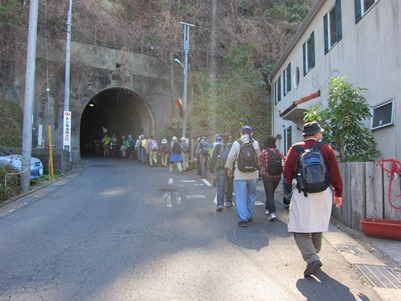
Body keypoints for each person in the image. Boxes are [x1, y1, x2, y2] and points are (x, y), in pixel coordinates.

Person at [283, 121, 343, 277]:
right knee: (317, 223)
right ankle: (314, 253)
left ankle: (312, 258)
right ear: (316, 135)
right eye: (320, 133)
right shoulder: (326, 149)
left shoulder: (295, 149)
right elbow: (335, 173)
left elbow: (287, 172)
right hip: (323, 193)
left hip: (303, 192)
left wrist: (294, 183)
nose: (321, 135)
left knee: (298, 227)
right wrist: (338, 193)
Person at [225, 126, 260, 227]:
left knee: (240, 196)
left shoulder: (237, 143)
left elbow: (231, 157)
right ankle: (250, 214)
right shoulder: (255, 143)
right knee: (252, 195)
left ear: (241, 133)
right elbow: (258, 157)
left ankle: (243, 218)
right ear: (251, 133)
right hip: (253, 174)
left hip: (240, 174)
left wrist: (230, 169)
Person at [259, 135, 284, 221]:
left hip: (267, 176)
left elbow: (259, 164)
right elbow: (283, 163)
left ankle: (272, 212)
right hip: (277, 177)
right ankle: (267, 207)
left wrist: (259, 173)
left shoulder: (263, 152)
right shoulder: (279, 152)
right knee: (271, 193)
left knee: (269, 194)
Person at [210, 133, 232, 211]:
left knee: (220, 186)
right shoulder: (232, 146)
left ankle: (220, 204)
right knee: (230, 185)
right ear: (229, 138)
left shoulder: (218, 146)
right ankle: (229, 201)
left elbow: (213, 159)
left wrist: (211, 171)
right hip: (230, 169)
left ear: (222, 138)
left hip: (220, 169)